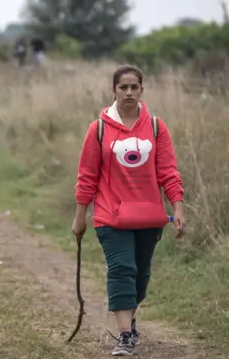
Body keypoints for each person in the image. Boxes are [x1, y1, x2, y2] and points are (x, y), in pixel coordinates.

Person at [72, 65, 186, 357]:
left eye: (134, 87)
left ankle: (129, 316)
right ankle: (125, 334)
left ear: (142, 91)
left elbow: (169, 172)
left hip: (149, 216)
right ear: (114, 91)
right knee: (122, 268)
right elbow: (87, 175)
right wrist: (80, 216)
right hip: (110, 216)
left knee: (140, 275)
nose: (129, 92)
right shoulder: (98, 129)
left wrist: (178, 207)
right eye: (123, 87)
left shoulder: (157, 128)